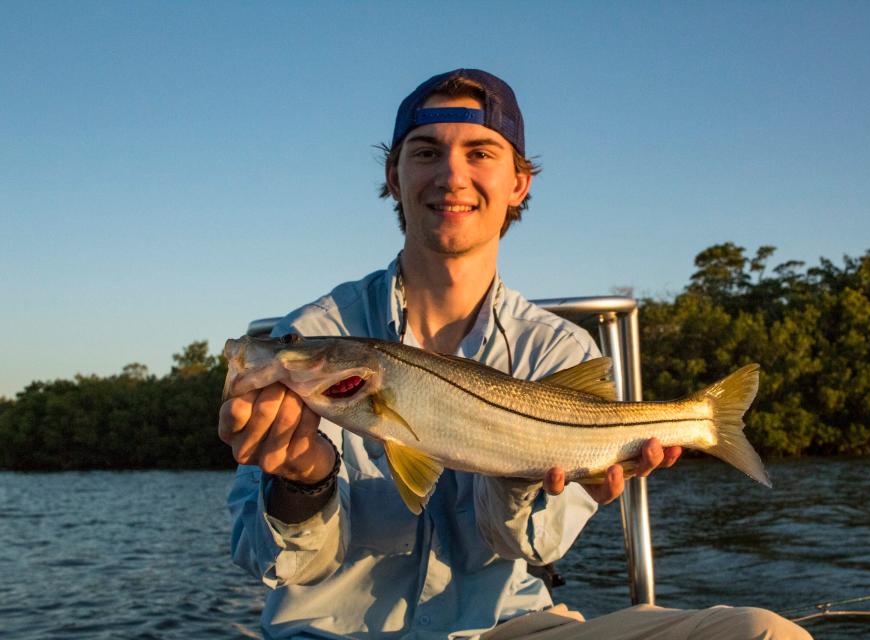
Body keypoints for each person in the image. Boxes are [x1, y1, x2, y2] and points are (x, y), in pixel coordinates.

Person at [219, 68, 812, 640]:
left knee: (762, 633)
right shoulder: (315, 329)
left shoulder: (557, 349)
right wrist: (301, 481)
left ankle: (707, 419)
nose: (452, 175)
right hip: (334, 634)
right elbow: (272, 564)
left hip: (510, 628)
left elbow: (532, 547)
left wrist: (533, 481)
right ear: (394, 177)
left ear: (519, 183)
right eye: (425, 152)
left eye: (480, 152)